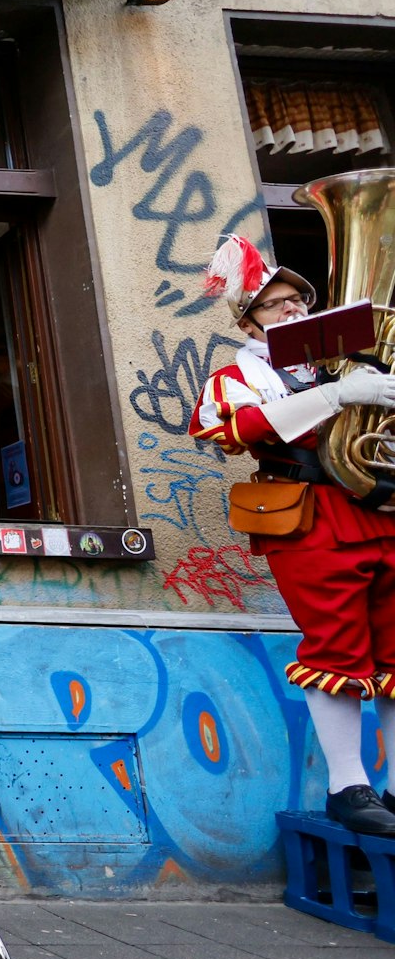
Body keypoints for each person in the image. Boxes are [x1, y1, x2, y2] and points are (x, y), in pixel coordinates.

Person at [189, 234, 395, 836]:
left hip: (381, 508)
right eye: (276, 304)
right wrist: (336, 395)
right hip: (310, 517)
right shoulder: (239, 375)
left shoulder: (353, 361)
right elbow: (236, 429)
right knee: (337, 645)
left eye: (299, 300)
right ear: (248, 322)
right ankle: (347, 786)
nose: (292, 309)